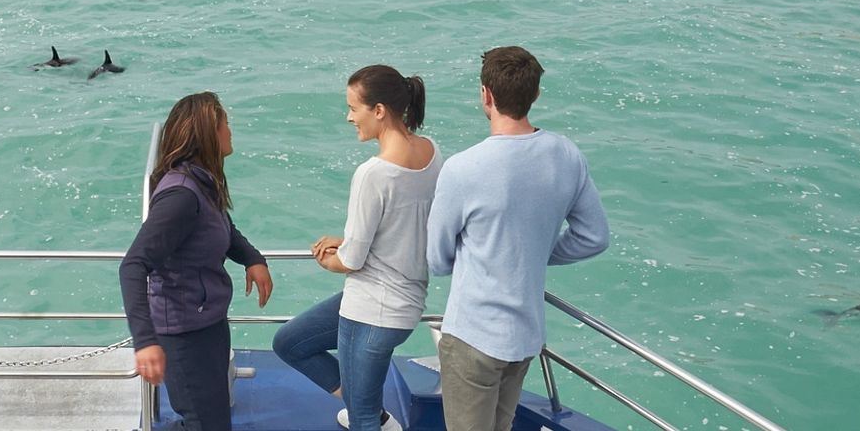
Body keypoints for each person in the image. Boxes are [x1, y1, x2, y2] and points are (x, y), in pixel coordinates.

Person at [426, 46, 610, 431]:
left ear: (486, 95)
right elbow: (594, 237)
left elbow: (437, 260)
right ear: (536, 94)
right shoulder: (566, 154)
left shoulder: (463, 168)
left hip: (473, 336)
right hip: (526, 336)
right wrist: (536, 252)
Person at [273, 65, 444, 431]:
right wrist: (349, 243)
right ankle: (366, 401)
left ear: (379, 110)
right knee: (290, 341)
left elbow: (351, 261)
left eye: (354, 108)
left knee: (361, 418)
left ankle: (367, 408)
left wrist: (329, 258)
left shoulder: (373, 173)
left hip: (371, 311)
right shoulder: (431, 153)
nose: (349, 117)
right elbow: (400, 226)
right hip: (406, 302)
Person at [121, 91, 274, 431]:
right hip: (184, 333)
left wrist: (252, 257)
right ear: (207, 134)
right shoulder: (181, 196)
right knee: (206, 422)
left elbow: (221, 227)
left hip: (207, 323)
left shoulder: (203, 183)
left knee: (211, 417)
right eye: (225, 124)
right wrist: (145, 341)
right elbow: (133, 265)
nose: (231, 131)